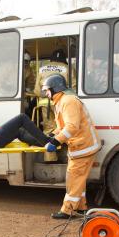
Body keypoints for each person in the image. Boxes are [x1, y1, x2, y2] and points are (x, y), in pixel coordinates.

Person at [42, 74, 101, 219]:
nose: (46, 93)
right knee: (77, 179)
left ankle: (67, 210)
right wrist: (53, 135)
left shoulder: (67, 101)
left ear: (55, 88)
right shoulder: (62, 101)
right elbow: (63, 126)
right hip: (80, 147)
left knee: (74, 180)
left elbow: (72, 127)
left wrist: (56, 142)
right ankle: (81, 207)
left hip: (83, 147)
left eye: (47, 90)